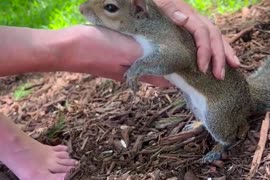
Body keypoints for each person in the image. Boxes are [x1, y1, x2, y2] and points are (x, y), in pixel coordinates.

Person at [0, 0, 239, 179]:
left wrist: (138, 67)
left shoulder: (158, 33)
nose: (85, 9)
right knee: (200, 108)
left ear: (138, 10)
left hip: (217, 97)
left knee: (215, 119)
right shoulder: (148, 30)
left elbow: (175, 57)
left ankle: (225, 141)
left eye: (109, 8)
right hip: (199, 91)